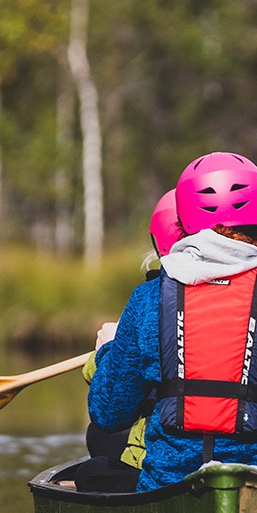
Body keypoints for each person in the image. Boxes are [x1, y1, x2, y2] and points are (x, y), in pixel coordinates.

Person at [88, 152, 257, 492]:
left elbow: (108, 413)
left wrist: (108, 352)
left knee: (95, 469)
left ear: (183, 223)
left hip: (169, 482)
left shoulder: (146, 301)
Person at [72, 189, 187, 493]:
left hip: (163, 465)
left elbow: (109, 407)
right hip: (252, 459)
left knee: (99, 440)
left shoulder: (148, 301)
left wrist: (106, 350)